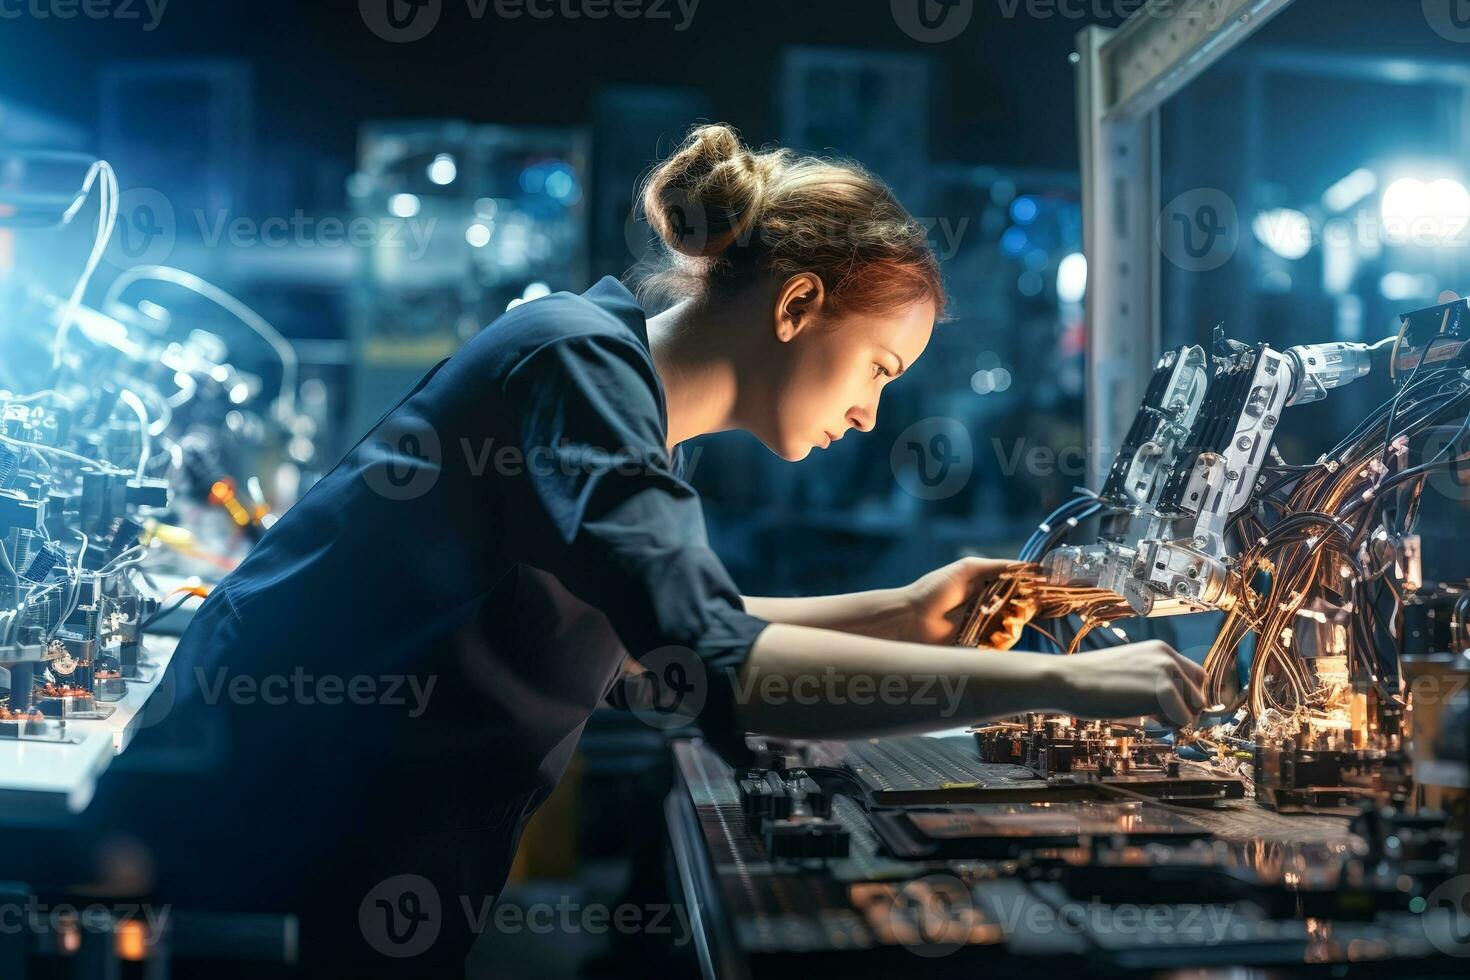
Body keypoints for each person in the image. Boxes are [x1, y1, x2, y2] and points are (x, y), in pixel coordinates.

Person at [95, 123, 1206, 975]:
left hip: (328, 863)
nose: (872, 413)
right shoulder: (576, 371)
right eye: (877, 367)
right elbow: (714, 665)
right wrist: (1070, 680)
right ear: (798, 304)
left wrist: (901, 608)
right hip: (246, 866)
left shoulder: (606, 393)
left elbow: (640, 648)